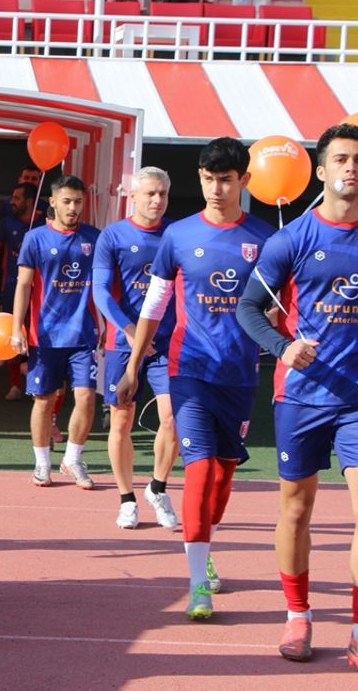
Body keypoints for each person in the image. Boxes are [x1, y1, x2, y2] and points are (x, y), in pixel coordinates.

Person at [235, 124, 358, 679]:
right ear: (320, 170)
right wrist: (283, 348)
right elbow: (246, 309)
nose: (350, 168)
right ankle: (297, 615)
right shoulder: (289, 240)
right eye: (340, 159)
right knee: (295, 508)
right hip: (301, 397)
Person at [116, 137, 274, 621]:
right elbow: (155, 304)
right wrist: (132, 366)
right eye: (208, 179)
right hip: (189, 371)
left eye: (225, 180)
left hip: (240, 376)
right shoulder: (179, 236)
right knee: (200, 471)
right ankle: (196, 584)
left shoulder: (268, 239)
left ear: (245, 181)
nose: (216, 189)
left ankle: (205, 547)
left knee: (223, 478)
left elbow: (282, 306)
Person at [92, 167, 179, 530]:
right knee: (121, 421)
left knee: (173, 417)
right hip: (123, 345)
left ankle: (157, 488)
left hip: (167, 344)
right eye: (150, 194)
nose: (157, 200)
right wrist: (129, 330)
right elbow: (100, 291)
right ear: (133, 197)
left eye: (162, 194)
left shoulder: (176, 234)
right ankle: (127, 498)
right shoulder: (113, 236)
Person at [9, 175, 101, 489]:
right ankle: (42, 463)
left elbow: (104, 285)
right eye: (67, 201)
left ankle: (72, 459)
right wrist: (17, 327)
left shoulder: (94, 238)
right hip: (45, 335)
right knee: (44, 400)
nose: (73, 207)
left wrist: (108, 323)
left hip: (83, 335)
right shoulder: (35, 239)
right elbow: (23, 285)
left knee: (86, 398)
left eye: (78, 202)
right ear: (53, 202)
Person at [0, 182, 46, 401]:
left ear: (29, 201)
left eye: (17, 198)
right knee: (12, 331)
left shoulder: (44, 225)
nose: (13, 202)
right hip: (12, 286)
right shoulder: (7, 223)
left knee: (36, 333)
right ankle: (14, 385)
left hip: (40, 289)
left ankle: (36, 384)